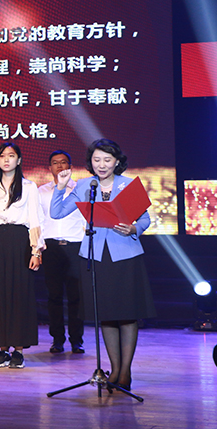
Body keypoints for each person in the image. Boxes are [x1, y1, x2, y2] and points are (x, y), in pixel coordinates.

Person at [51, 138, 155, 391]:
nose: (101, 164)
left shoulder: (128, 185)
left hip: (125, 255)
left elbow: (145, 219)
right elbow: (57, 213)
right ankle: (115, 369)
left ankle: (125, 372)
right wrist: (60, 187)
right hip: (95, 256)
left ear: (117, 162)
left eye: (107, 160)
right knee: (106, 316)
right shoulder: (85, 185)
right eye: (97, 160)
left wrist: (133, 228)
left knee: (127, 314)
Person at [0, 142, 44, 369]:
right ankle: (3, 349)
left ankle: (19, 351)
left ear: (19, 160)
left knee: (19, 294)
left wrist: (36, 250)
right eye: (2, 156)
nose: (6, 159)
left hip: (19, 241)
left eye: (11, 155)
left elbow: (35, 219)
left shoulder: (29, 187)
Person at [38, 150, 85, 354]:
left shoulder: (80, 190)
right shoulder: (41, 191)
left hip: (75, 247)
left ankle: (77, 340)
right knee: (54, 296)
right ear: (50, 168)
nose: (59, 166)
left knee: (76, 297)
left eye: (63, 162)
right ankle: (57, 340)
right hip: (51, 248)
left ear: (70, 167)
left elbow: (87, 220)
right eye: (55, 163)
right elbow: (38, 221)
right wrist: (37, 248)